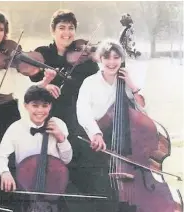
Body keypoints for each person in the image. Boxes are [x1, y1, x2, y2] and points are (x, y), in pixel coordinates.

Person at [27, 9, 100, 211]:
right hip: (47, 119)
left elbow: (97, 81)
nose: (66, 33)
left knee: (76, 171)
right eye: (61, 28)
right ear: (53, 31)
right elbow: (27, 92)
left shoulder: (84, 59)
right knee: (49, 171)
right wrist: (44, 85)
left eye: (71, 28)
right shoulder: (42, 54)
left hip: (74, 120)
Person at [0, 8, 56, 143]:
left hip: (9, 114)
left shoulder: (11, 58)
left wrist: (45, 81)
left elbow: (27, 90)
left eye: (1, 29)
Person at [76, 39, 145, 211]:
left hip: (125, 144)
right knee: (101, 190)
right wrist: (95, 133)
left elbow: (144, 110)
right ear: (100, 59)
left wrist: (133, 86)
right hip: (98, 143)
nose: (112, 62)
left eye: (116, 57)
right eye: (107, 57)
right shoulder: (89, 82)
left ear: (122, 59)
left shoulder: (126, 81)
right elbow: (82, 111)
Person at [0, 85, 73, 211]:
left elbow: (66, 159)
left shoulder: (59, 124)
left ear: (50, 106)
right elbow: (0, 155)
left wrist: (61, 137)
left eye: (45, 106)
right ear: (26, 106)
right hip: (26, 188)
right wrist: (5, 172)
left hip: (53, 188)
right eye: (35, 105)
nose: (40, 110)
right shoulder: (16, 128)